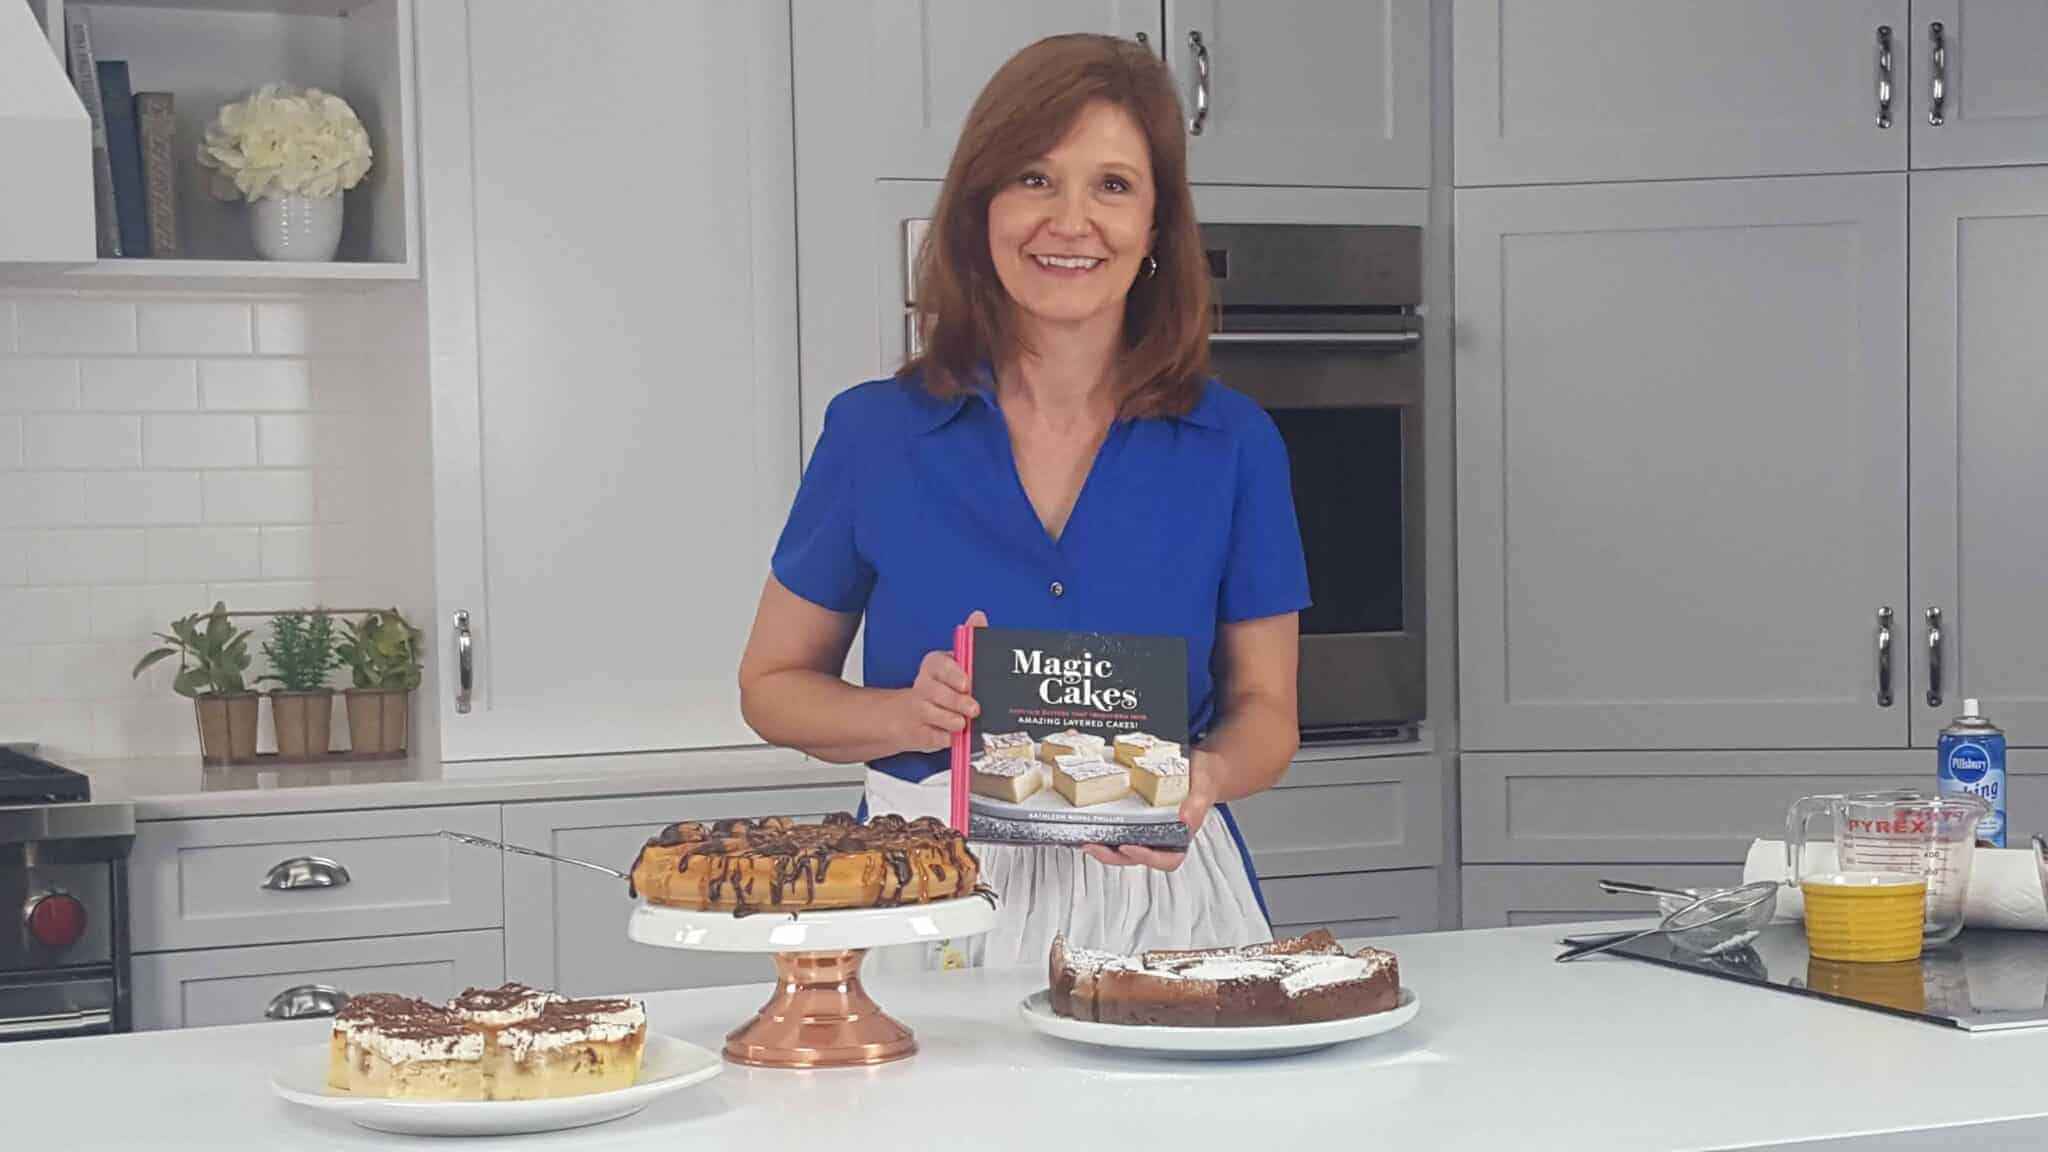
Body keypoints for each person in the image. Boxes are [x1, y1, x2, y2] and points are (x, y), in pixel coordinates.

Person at [737, 33, 1309, 967]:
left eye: (1113, 185)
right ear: (980, 209)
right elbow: (771, 688)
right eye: (1035, 178)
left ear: (1159, 225)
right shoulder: (874, 433)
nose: (1070, 221)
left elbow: (1267, 713)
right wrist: (904, 715)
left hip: (1163, 906)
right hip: (925, 895)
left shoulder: (1234, 444)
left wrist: (1204, 776)